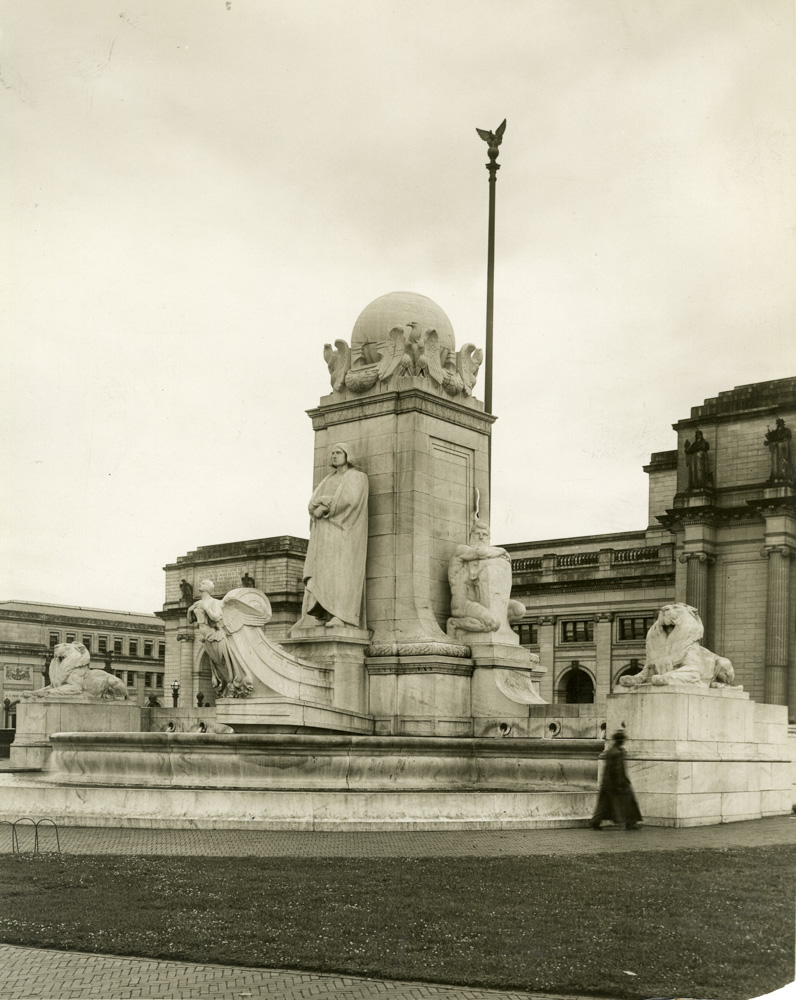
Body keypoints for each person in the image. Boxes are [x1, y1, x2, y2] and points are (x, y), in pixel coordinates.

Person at [301, 442, 368, 628]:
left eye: (338, 452)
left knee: (341, 574)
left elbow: (350, 500)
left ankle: (341, 615)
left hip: (343, 533)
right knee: (323, 574)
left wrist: (325, 507)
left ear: (348, 455)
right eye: (332, 453)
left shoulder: (357, 476)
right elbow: (312, 503)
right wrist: (320, 505)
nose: (334, 456)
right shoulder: (328, 479)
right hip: (323, 535)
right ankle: (325, 614)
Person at [590, 729, 643, 831]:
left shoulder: (611, 751)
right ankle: (630, 822)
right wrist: (622, 783)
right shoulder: (618, 753)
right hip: (617, 782)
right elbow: (618, 769)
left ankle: (595, 821)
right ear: (621, 740)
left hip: (607, 782)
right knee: (628, 801)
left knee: (604, 804)